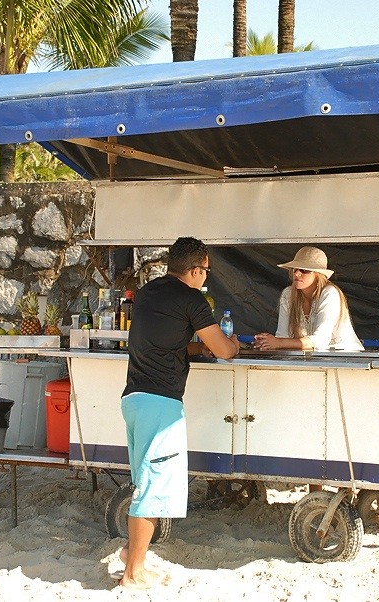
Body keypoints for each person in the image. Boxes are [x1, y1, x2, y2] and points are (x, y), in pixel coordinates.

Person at [118, 237, 240, 589]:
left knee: (145, 481)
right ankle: (133, 573)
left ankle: (130, 553)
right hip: (161, 403)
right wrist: (232, 343)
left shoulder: (148, 292)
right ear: (196, 269)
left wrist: (194, 345)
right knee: (152, 488)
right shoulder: (192, 299)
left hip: (134, 399)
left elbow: (164, 340)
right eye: (206, 271)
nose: (206, 278)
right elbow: (223, 350)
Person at [253, 246, 363, 352]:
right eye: (295, 269)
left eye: (304, 270)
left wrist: (278, 343)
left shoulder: (330, 293)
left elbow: (320, 340)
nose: (297, 273)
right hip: (319, 359)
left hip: (348, 358)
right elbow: (282, 335)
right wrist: (267, 343)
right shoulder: (288, 294)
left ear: (318, 275)